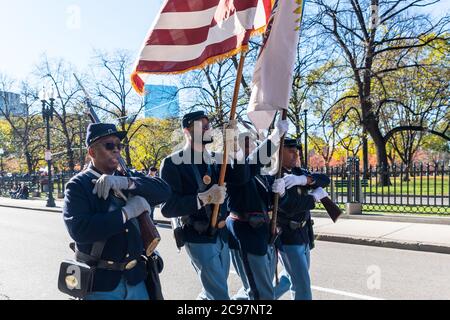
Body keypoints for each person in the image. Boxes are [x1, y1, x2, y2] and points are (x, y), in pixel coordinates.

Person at [63, 123, 171, 300]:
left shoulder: (127, 177)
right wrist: (126, 213)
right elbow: (80, 230)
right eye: (109, 145)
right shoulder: (78, 185)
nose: (116, 150)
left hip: (137, 278)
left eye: (119, 145)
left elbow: (165, 190)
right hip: (102, 283)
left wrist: (128, 183)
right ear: (92, 152)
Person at [160, 111, 243, 300]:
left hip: (222, 234)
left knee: (212, 291)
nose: (208, 129)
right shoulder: (173, 163)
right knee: (220, 294)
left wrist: (235, 144)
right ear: (187, 131)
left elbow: (242, 177)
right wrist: (203, 198)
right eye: (201, 126)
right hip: (198, 235)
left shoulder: (218, 158)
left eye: (208, 125)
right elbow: (168, 207)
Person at [225, 120, 290, 300]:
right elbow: (245, 170)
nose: (249, 147)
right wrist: (275, 137)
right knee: (261, 293)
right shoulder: (231, 167)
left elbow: (271, 202)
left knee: (259, 289)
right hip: (246, 234)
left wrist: (280, 193)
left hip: (264, 234)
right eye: (243, 144)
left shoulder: (258, 172)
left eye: (251, 143)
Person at [274, 138, 330, 300]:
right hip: (288, 237)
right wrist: (313, 199)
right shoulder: (275, 176)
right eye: (290, 151)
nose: (295, 155)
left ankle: (255, 299)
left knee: (288, 279)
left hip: (304, 234)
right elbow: (289, 207)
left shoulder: (298, 173)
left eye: (296, 151)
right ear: (279, 152)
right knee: (302, 285)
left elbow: (325, 179)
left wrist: (304, 180)